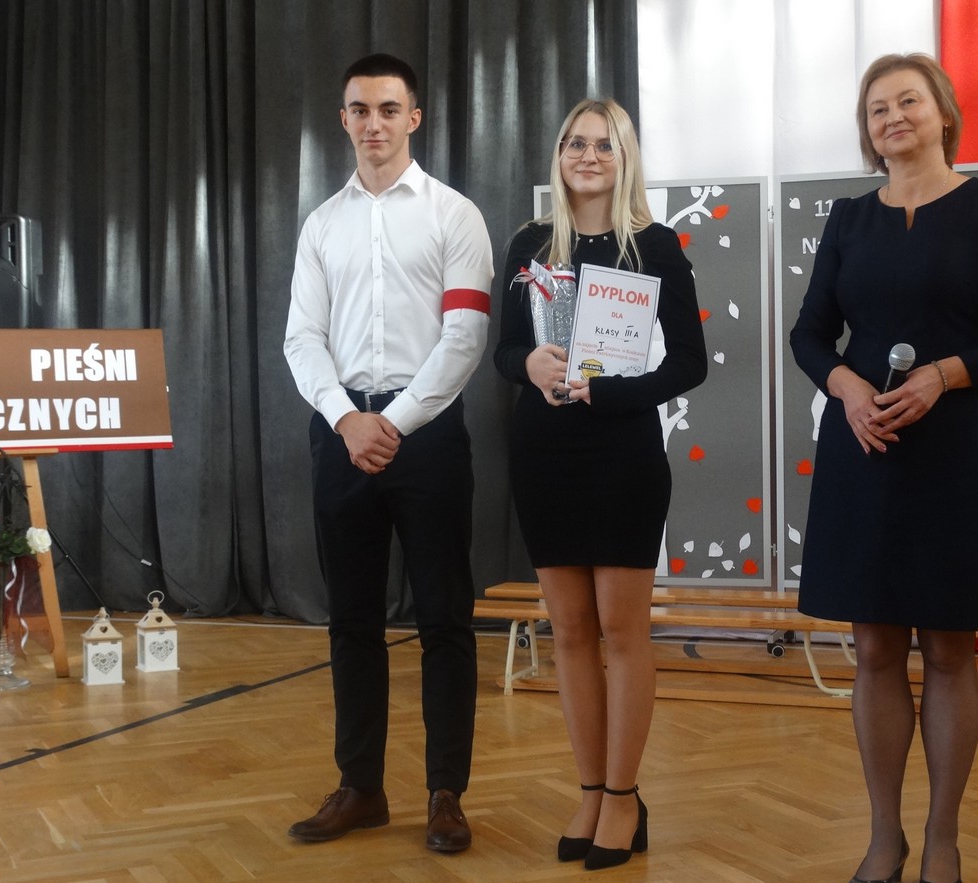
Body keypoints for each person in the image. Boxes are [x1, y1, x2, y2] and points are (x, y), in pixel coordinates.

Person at [789, 54, 978, 883]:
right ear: (868, 132)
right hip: (864, 447)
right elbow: (810, 334)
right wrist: (845, 388)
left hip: (959, 450)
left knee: (949, 648)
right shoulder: (848, 219)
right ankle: (885, 837)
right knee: (874, 647)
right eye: (877, 108)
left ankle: (943, 838)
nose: (893, 116)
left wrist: (946, 373)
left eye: (908, 100)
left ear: (944, 112)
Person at [283, 53, 493, 853]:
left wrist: (392, 422)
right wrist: (347, 419)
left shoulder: (454, 215)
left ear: (414, 117)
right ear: (343, 120)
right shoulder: (321, 225)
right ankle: (361, 787)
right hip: (341, 433)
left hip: (427, 436)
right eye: (360, 110)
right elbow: (301, 338)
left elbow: (464, 336)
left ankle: (446, 794)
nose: (374, 123)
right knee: (351, 619)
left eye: (388, 109)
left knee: (444, 617)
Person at [493, 98, 707, 870]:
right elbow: (503, 351)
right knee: (571, 633)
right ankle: (589, 789)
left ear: (625, 159)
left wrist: (612, 391)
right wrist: (528, 363)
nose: (588, 156)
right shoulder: (528, 244)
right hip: (543, 451)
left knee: (622, 631)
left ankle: (624, 796)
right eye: (575, 143)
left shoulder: (655, 245)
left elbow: (690, 362)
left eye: (604, 145)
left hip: (622, 452)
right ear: (559, 155)